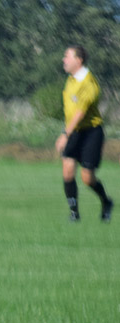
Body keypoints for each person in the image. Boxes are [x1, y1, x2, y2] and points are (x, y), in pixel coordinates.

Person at [55, 44, 113, 222]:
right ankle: (74, 214)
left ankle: (106, 202)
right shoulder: (71, 79)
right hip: (75, 132)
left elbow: (80, 112)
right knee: (67, 171)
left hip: (91, 133)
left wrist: (65, 134)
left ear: (78, 60)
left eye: (67, 56)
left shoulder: (89, 83)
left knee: (87, 178)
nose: (64, 60)